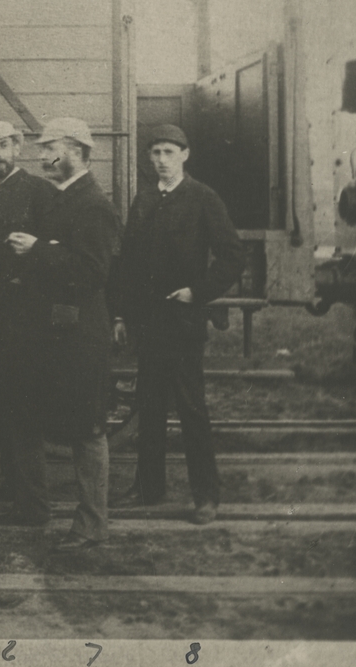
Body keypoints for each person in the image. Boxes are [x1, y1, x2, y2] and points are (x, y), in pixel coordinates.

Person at [111, 124, 244, 525]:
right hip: (149, 324)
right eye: (155, 153)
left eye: (169, 152)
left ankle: (206, 496)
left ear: (185, 155)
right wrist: (121, 314)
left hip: (183, 323)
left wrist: (197, 292)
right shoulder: (144, 200)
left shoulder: (203, 197)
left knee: (191, 409)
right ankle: (148, 489)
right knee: (149, 408)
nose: (161, 160)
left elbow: (232, 256)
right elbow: (129, 263)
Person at [8, 117, 121, 550]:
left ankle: (93, 524)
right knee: (52, 421)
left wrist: (38, 250)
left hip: (79, 337)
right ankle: (44, 511)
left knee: (87, 428)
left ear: (76, 151)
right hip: (55, 332)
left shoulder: (93, 204)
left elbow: (93, 273)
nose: (42, 158)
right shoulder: (61, 198)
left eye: (50, 149)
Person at [0, 121, 58, 522]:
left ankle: (32, 504)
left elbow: (56, 252)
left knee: (23, 414)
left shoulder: (40, 192)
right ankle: (12, 484)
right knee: (2, 408)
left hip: (27, 323)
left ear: (18, 148)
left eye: (3, 145)